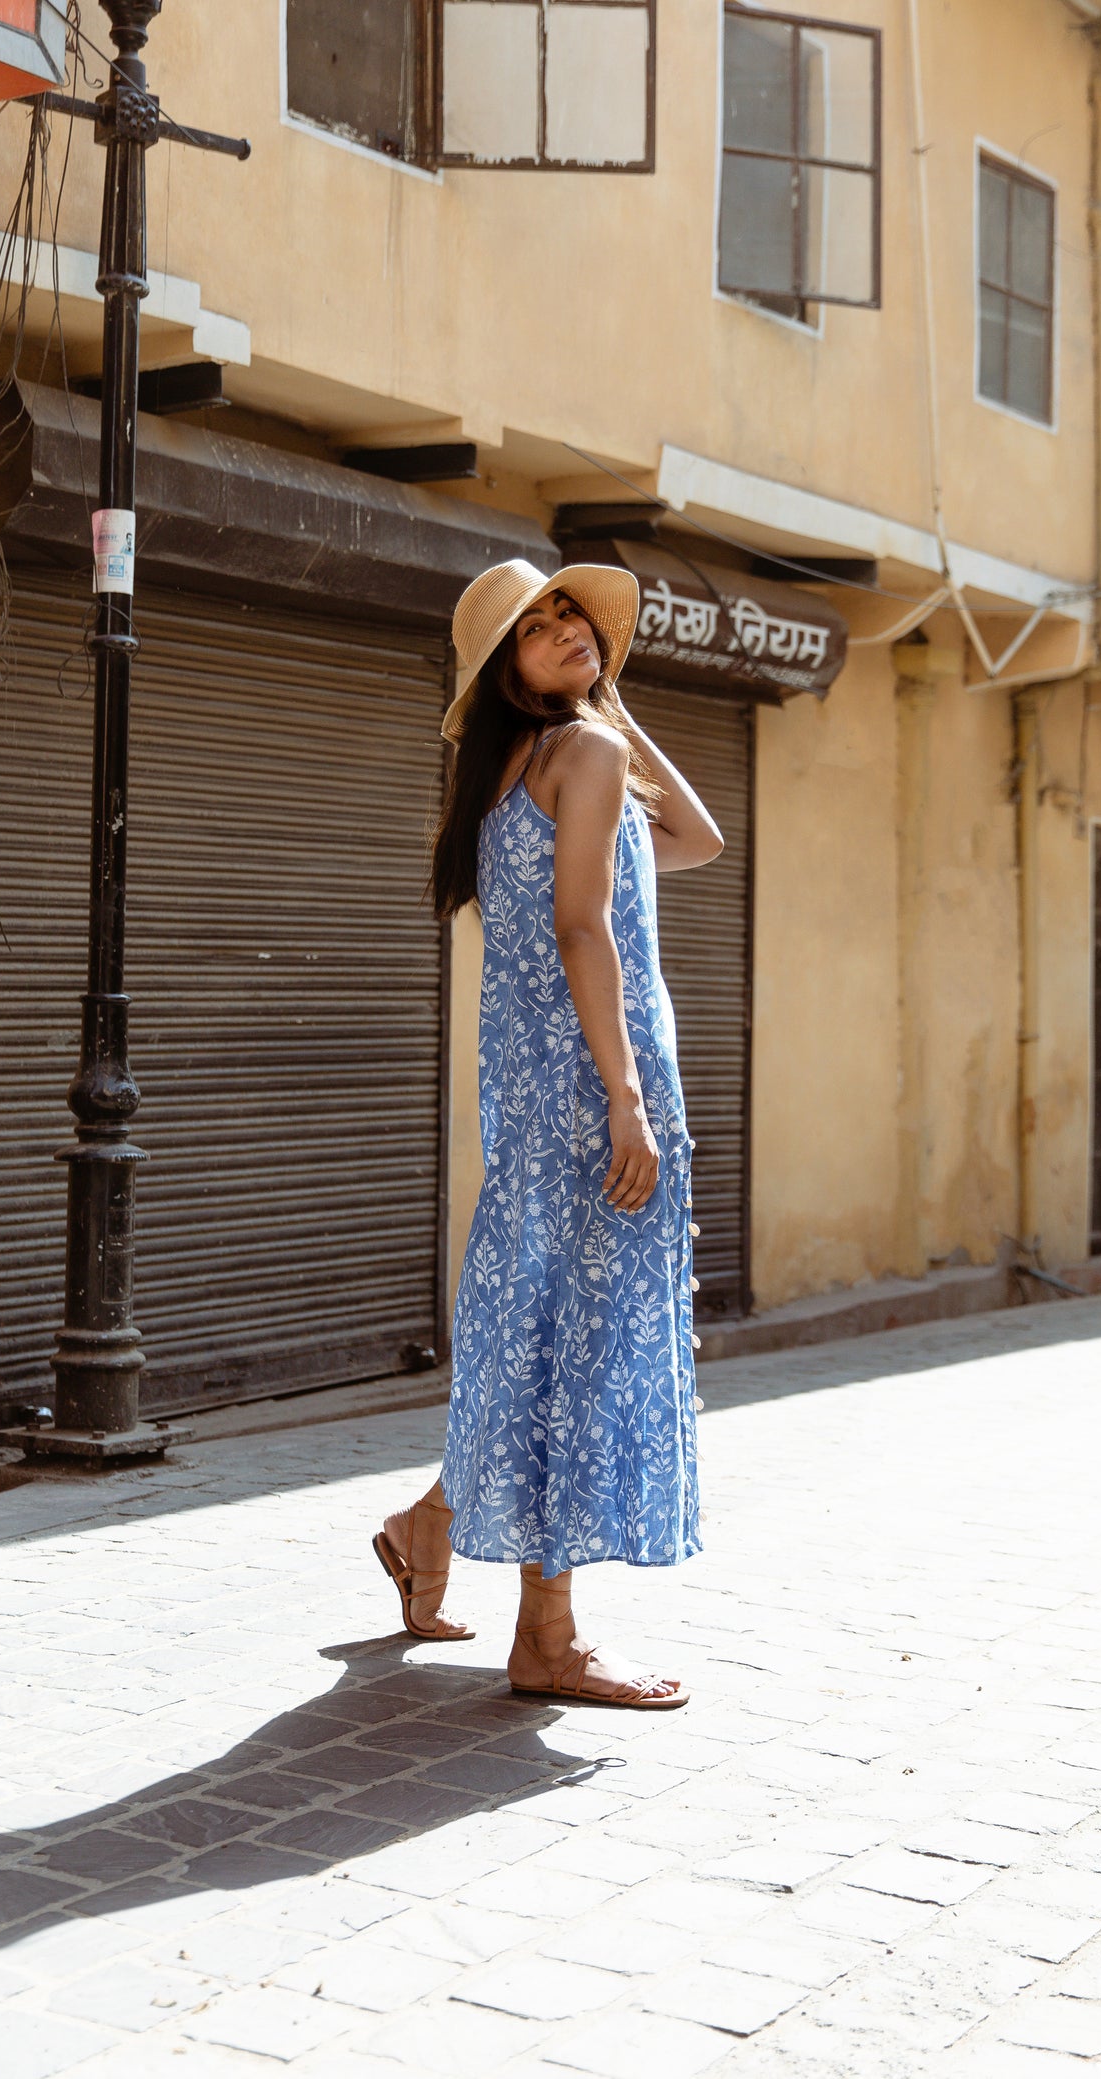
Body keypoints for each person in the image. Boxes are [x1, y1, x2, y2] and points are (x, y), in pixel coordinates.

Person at [372, 557, 724, 1708]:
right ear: (504, 673)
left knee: (535, 1334)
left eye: (571, 614)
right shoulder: (584, 756)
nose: (566, 628)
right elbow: (584, 929)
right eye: (536, 628)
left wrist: (602, 699)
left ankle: (428, 1528)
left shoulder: (518, 771)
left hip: (527, 1098)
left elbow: (691, 842)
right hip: (592, 1091)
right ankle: (548, 1640)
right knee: (580, 1349)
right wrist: (625, 1096)